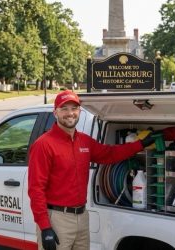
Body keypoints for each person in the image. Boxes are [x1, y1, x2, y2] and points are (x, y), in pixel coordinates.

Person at [28, 90, 155, 250]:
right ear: (56, 113)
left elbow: (110, 154)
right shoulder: (43, 145)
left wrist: (141, 144)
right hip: (57, 219)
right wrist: (45, 227)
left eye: (74, 108)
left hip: (82, 217)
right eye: (64, 109)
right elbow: (36, 189)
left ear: (79, 111)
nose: (70, 113)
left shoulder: (84, 141)